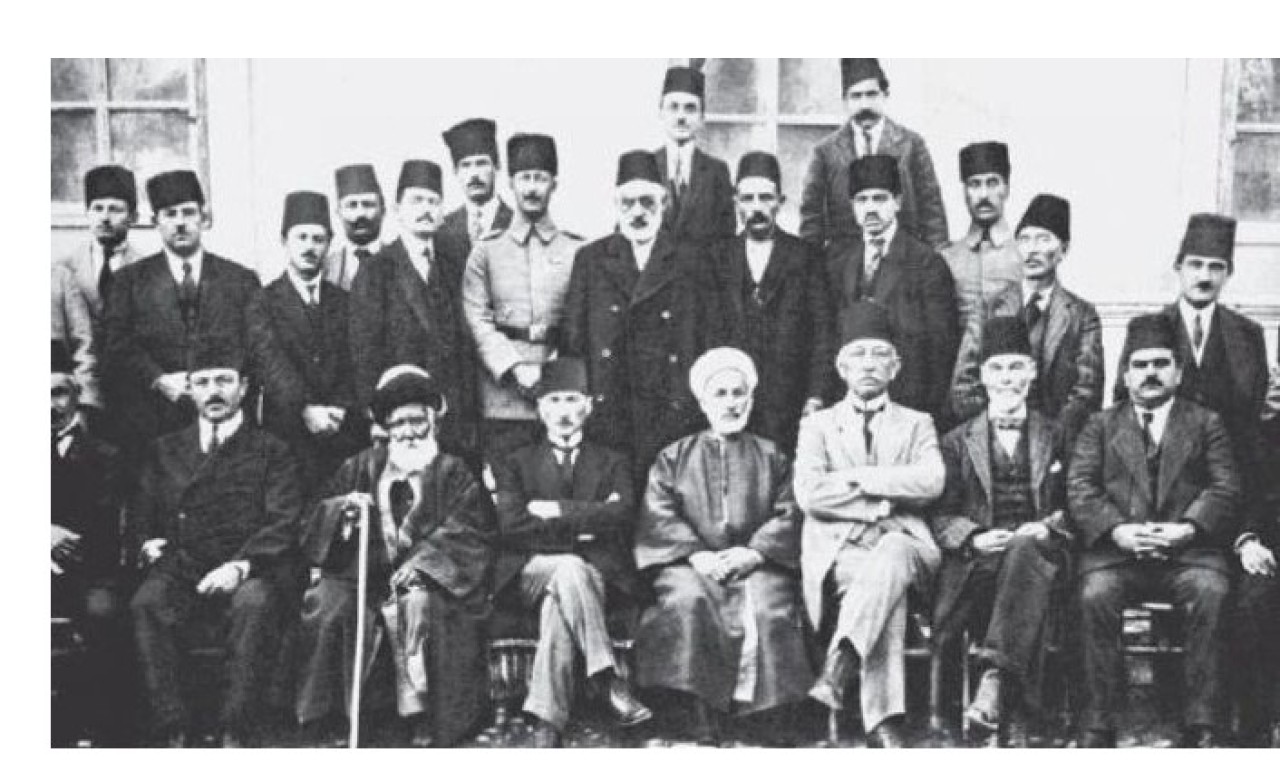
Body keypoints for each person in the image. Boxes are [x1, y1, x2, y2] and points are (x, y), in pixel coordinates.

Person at [295, 366, 494, 747]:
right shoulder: (360, 466)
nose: (408, 432)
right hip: (362, 577)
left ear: (433, 421)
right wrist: (343, 513)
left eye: (417, 421)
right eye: (398, 423)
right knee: (328, 604)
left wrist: (422, 566)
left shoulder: (453, 470)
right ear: (386, 427)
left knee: (418, 604)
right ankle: (331, 715)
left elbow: (470, 530)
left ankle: (423, 715)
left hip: (433, 582)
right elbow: (314, 521)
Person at [1068, 314, 1240, 748]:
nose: (1150, 373)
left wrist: (1187, 528)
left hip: (1188, 555)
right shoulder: (1100, 425)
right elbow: (1081, 487)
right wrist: (1117, 531)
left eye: (1161, 363)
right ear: (1126, 375)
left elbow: (1225, 486)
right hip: (1118, 556)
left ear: (1178, 372)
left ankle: (1202, 723)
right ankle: (1097, 723)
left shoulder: (1206, 423)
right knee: (1093, 595)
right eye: (1140, 365)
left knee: (1211, 592)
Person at [634, 348, 814, 745]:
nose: (731, 403)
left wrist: (755, 552)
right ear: (703, 402)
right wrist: (697, 554)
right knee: (688, 602)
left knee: (766, 608)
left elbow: (791, 511)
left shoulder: (772, 455)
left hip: (758, 563)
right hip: (689, 563)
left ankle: (761, 718)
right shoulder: (673, 457)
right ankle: (699, 713)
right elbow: (659, 513)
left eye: (738, 393)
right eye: (721, 394)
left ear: (750, 398)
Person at [128, 339, 303, 747]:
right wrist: (146, 542)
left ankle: (235, 729)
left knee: (254, 604)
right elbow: (141, 513)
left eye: (224, 380)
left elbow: (284, 521)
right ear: (190, 390)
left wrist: (240, 566)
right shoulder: (165, 449)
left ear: (244, 387)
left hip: (250, 566)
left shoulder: (271, 450)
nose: (214, 392)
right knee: (147, 602)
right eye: (203, 382)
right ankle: (173, 727)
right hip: (182, 564)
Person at [795, 302, 944, 748]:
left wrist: (858, 479)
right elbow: (810, 494)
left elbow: (931, 481)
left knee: (893, 552)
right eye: (858, 354)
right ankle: (882, 721)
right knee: (884, 589)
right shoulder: (818, 426)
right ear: (841, 367)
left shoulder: (918, 423)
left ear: (895, 367)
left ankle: (840, 666)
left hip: (911, 549)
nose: (869, 364)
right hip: (843, 551)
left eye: (880, 354)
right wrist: (883, 500)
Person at [490, 358, 651, 747]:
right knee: (569, 568)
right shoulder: (516, 461)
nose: (563, 411)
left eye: (572, 400)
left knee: (561, 596)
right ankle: (607, 678)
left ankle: (547, 719)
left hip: (594, 574)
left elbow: (622, 516)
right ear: (540, 408)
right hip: (529, 572)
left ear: (588, 406)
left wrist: (556, 510)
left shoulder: (613, 461)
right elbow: (511, 526)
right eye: (554, 400)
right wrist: (589, 521)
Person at [929, 317, 1071, 744]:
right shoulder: (956, 441)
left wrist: (1046, 527)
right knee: (1011, 569)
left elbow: (1077, 503)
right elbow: (939, 513)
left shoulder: (1059, 433)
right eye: (997, 368)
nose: (1007, 378)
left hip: (1043, 555)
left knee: (1026, 551)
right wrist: (973, 536)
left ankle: (993, 681)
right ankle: (1012, 704)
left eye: (1016, 367)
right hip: (979, 562)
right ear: (982, 376)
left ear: (1032, 372)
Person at [101, 170, 292, 460]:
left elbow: (258, 348)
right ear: (155, 222)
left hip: (226, 424)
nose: (180, 222)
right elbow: (117, 345)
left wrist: (222, 386)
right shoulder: (129, 281)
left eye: (188, 213)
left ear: (204, 217)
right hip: (154, 423)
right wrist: (159, 379)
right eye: (170, 214)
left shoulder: (240, 280)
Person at [562, 150, 726, 483]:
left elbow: (709, 336)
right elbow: (573, 339)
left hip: (672, 407)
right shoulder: (591, 259)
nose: (638, 212)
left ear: (664, 204)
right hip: (610, 407)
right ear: (616, 206)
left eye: (647, 202)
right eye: (628, 203)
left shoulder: (692, 260)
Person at [462, 133, 584, 462]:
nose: (531, 188)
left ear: (554, 184)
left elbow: (581, 318)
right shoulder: (486, 251)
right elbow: (476, 318)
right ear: (510, 183)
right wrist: (514, 367)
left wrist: (551, 369)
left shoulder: (577, 251)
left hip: (560, 395)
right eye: (524, 178)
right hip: (501, 397)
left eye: (540, 179)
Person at [349, 160, 478, 467]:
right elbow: (364, 353)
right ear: (397, 209)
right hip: (403, 423)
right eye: (416, 200)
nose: (425, 210)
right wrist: (376, 417)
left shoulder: (455, 266)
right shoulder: (375, 270)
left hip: (455, 424)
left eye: (433, 202)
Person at [951, 194, 1103, 450]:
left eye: (1043, 239)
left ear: (1064, 250)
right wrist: (999, 432)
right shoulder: (989, 307)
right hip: (995, 441)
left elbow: (1086, 392)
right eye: (1024, 239)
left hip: (1059, 445)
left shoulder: (1082, 315)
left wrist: (1049, 442)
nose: (1032, 250)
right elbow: (964, 385)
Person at [710, 151, 835, 453]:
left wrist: (816, 397)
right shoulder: (716, 258)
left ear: (781, 201)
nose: (757, 208)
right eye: (748, 198)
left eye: (766, 198)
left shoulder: (806, 257)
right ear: (736, 203)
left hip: (789, 406)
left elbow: (823, 333)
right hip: (732, 404)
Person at [823, 154, 958, 424]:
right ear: (852, 206)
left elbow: (941, 352)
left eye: (879, 199)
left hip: (907, 409)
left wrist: (924, 416)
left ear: (897, 202)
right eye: (862, 200)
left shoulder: (926, 263)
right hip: (848, 412)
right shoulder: (838, 262)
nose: (870, 209)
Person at [51, 341, 131, 745]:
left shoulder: (106, 455)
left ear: (77, 395)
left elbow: (102, 522)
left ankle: (95, 728)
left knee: (103, 613)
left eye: (58, 393)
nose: (48, 406)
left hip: (87, 568)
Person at [261, 191, 363, 496]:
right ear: (284, 241)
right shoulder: (263, 301)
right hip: (287, 435)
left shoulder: (346, 301)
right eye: (301, 237)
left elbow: (356, 358)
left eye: (318, 239)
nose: (309, 247)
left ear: (329, 244)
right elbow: (270, 361)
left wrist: (341, 408)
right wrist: (305, 408)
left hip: (341, 434)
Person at [800, 58, 947, 250]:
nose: (864, 105)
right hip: (843, 261)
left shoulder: (911, 145)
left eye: (871, 95)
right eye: (856, 96)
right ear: (845, 101)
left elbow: (932, 212)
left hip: (902, 258)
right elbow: (811, 218)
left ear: (885, 95)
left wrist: (937, 259)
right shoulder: (825, 152)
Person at [1231, 354, 1280, 747]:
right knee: (1253, 603)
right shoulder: (1262, 435)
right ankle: (1257, 729)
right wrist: (1248, 540)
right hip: (1271, 549)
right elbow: (1246, 497)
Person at [940, 142, 1023, 354]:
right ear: (964, 192)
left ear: (1007, 188)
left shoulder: (1025, 255)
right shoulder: (946, 258)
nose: (984, 195)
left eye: (992, 183)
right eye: (974, 184)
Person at [653, 65, 736, 247]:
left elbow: (727, 240)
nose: (681, 117)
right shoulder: (646, 165)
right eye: (673, 107)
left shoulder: (717, 172)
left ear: (702, 116)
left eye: (690, 108)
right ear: (660, 112)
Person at [54, 164, 142, 328]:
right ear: (87, 213)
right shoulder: (63, 269)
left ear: (133, 217)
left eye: (115, 209)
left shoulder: (147, 269)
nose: (105, 217)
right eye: (98, 208)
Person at [440, 118, 513, 259]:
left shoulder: (518, 224)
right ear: (456, 172)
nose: (474, 174)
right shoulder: (442, 229)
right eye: (466, 165)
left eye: (481, 163)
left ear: (497, 166)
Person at [325, 164, 387, 292]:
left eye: (368, 204)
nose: (360, 214)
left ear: (383, 210)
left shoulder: (402, 263)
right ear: (339, 212)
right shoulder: (324, 268)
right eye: (352, 205)